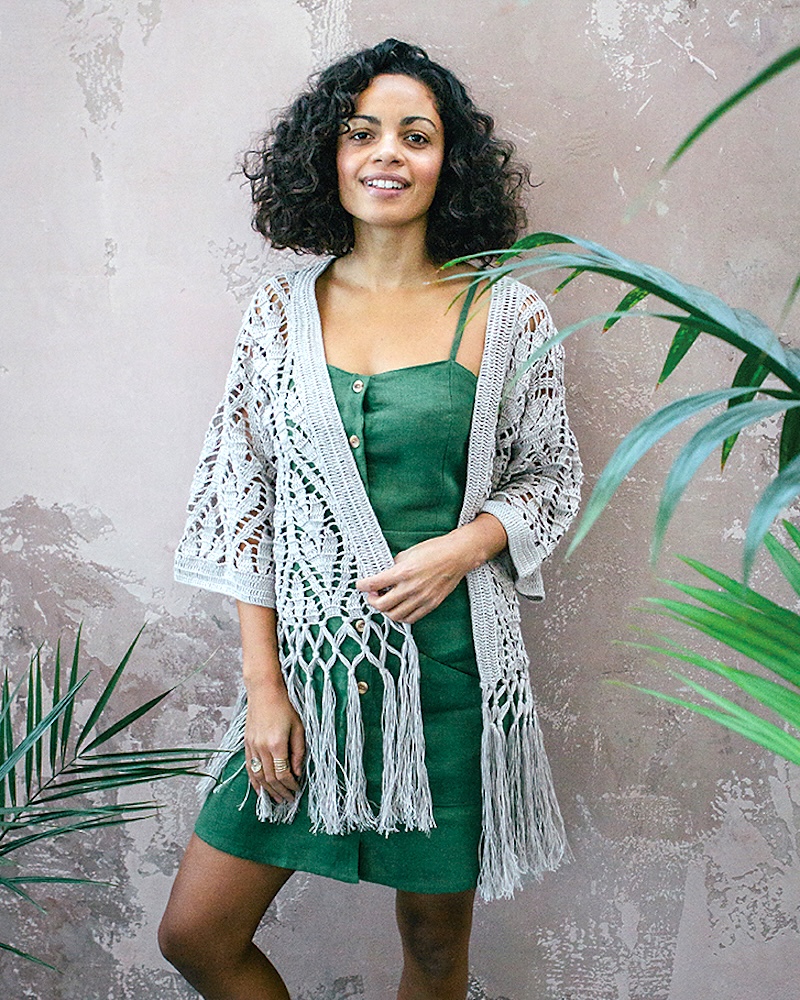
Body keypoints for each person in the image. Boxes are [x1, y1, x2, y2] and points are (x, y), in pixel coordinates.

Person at [159, 38, 582, 1000]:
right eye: (362, 133)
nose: (386, 153)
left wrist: (467, 546)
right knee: (197, 933)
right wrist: (264, 688)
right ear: (331, 156)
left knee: (434, 951)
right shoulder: (275, 316)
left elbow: (550, 478)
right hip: (305, 676)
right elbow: (244, 507)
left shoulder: (505, 314)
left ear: (449, 163)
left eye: (415, 134)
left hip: (451, 675)